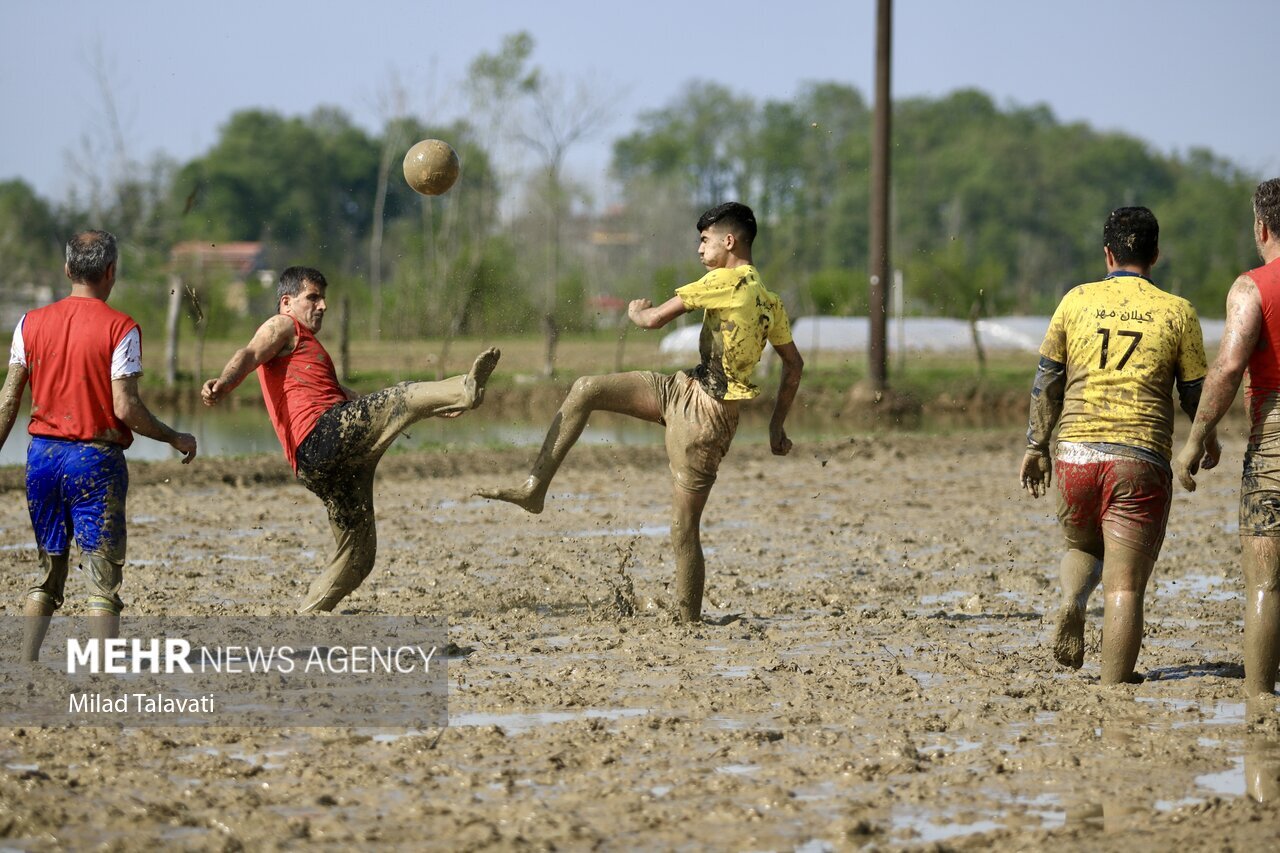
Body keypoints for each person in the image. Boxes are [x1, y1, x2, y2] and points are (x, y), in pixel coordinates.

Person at [479, 202, 804, 622]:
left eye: (704, 240)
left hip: (704, 419)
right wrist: (776, 425)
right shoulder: (770, 301)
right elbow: (794, 366)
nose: (699, 249)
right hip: (682, 388)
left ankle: (688, 622)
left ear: (729, 241)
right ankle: (534, 488)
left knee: (683, 529)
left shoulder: (723, 279)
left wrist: (634, 310)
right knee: (586, 389)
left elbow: (652, 321)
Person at [202, 265, 499, 613]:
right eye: (313, 297)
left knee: (359, 555)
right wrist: (223, 383)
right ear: (287, 302)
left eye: (323, 298)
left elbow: (359, 403)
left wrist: (433, 407)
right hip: (322, 437)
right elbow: (249, 355)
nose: (323, 305)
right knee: (399, 396)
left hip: (322, 464)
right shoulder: (282, 324)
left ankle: (307, 616)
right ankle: (462, 389)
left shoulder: (312, 354)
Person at [1020, 206, 1212, 684]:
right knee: (1124, 587)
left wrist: (1036, 447)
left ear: (1108, 253)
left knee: (1081, 545)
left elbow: (1047, 382)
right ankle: (1115, 684)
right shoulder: (1177, 311)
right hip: (1139, 457)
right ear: (1156, 255)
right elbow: (1194, 392)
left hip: (1076, 454)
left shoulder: (1074, 301)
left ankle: (1071, 600)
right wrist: (1205, 438)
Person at [0, 230, 198, 661]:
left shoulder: (28, 323)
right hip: (95, 461)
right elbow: (125, 408)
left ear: (68, 269)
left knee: (48, 568)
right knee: (101, 576)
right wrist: (172, 436)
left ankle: (25, 662)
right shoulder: (121, 328)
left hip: (42, 459)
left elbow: (9, 398)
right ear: (111, 272)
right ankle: (101, 671)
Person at [1174, 177, 1280, 697]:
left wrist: (1195, 440)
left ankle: (1261, 702)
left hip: (1277, 436)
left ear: (1262, 227)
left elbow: (1230, 365)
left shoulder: (1252, 287)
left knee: (1267, 581)